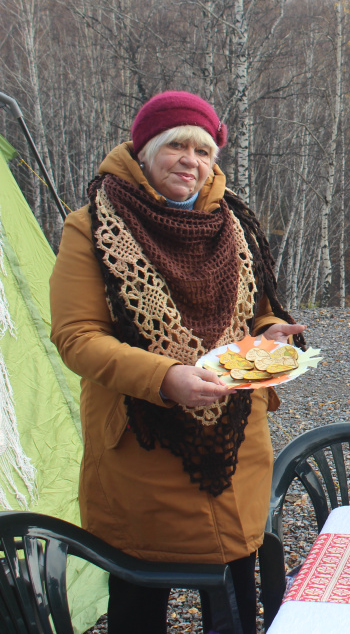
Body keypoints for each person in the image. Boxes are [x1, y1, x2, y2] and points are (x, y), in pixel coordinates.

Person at [50, 91, 306, 634]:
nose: (192, 160)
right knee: (141, 602)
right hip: (143, 446)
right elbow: (76, 336)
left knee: (233, 601)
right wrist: (164, 378)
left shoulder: (232, 220)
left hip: (235, 442)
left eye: (205, 150)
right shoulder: (91, 226)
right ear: (145, 150)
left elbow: (254, 313)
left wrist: (269, 334)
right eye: (178, 146)